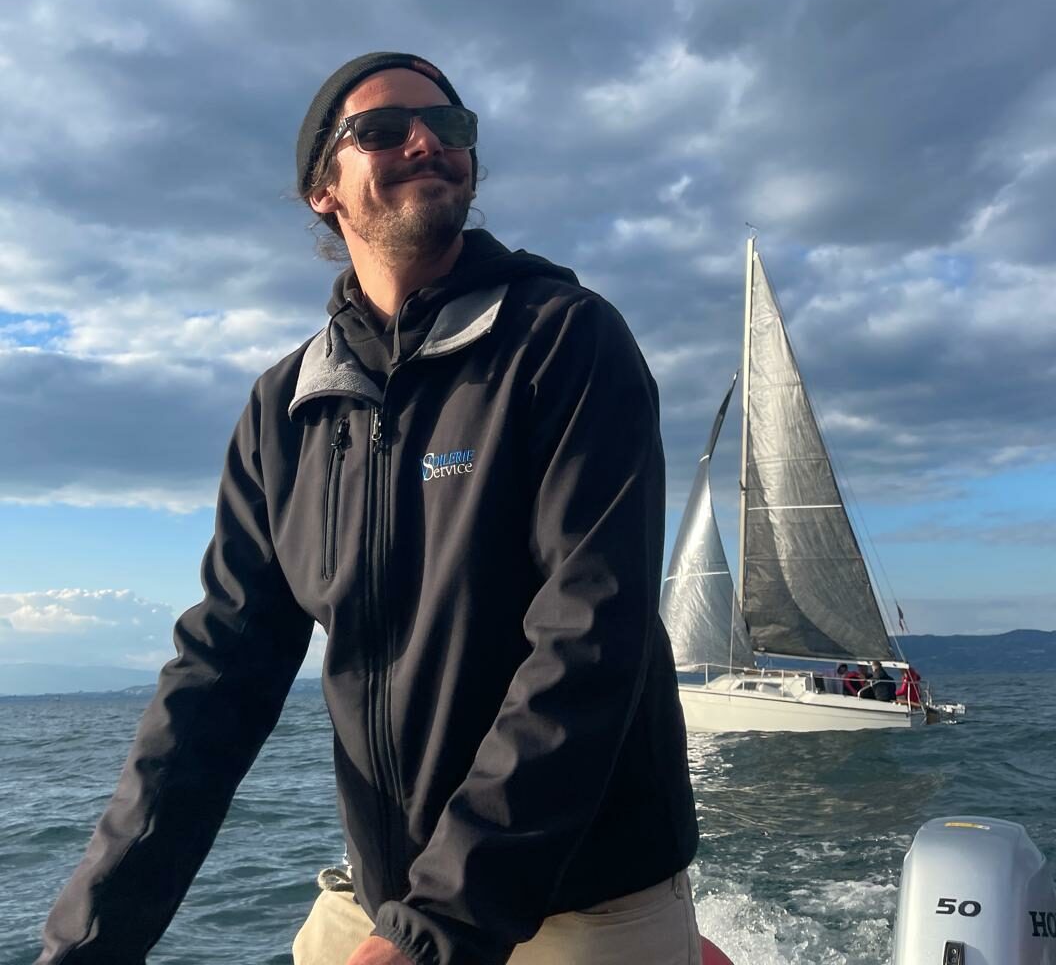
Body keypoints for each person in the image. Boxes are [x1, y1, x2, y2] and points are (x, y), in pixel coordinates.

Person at [37, 53, 701, 965]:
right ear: (323, 190)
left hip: (582, 907)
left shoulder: (563, 340)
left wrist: (435, 931)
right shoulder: (286, 411)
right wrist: (87, 942)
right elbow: (219, 680)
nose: (427, 142)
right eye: (384, 130)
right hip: (386, 897)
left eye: (449, 126)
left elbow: (590, 639)